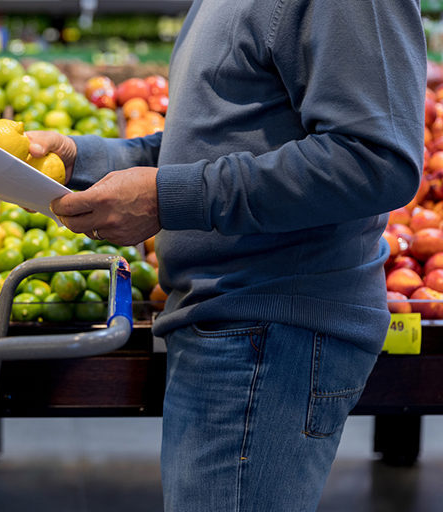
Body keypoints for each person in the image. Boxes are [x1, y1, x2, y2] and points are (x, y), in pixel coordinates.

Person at [26, 1, 426, 510]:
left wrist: (166, 197)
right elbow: (210, 142)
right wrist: (82, 160)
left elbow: (375, 160)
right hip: (228, 325)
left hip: (269, 333)